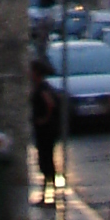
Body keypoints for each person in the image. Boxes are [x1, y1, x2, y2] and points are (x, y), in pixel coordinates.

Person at [31, 68, 61, 198]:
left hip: (46, 130)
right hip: (45, 130)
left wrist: (44, 119)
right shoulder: (42, 87)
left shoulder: (42, 88)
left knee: (46, 160)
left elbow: (50, 103)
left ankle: (50, 193)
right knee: (45, 160)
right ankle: (47, 192)